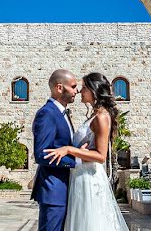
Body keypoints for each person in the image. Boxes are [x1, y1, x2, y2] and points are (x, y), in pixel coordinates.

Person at [44, 72, 129, 231]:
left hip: (89, 179)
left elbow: (101, 155)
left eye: (83, 88)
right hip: (80, 176)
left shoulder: (101, 117)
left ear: (94, 90)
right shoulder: (94, 115)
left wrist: (70, 149)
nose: (79, 91)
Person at [31, 69, 79, 231]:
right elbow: (41, 154)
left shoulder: (62, 113)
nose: (76, 90)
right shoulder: (47, 114)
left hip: (65, 189)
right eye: (73, 86)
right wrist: (76, 161)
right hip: (54, 191)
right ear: (59, 88)